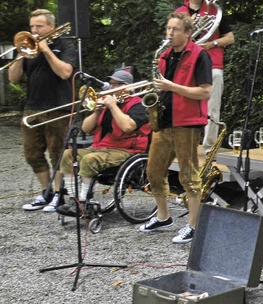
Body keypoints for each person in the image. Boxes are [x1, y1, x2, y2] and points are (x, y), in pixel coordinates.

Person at [138, 12, 212, 244]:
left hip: (187, 123)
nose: (170, 34)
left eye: (175, 30)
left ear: (188, 33)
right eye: (168, 29)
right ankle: (163, 216)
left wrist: (173, 87)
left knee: (188, 176)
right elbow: (161, 88)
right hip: (163, 121)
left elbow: (205, 92)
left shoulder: (201, 55)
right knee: (154, 171)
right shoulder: (164, 56)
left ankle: (193, 225)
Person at [8, 9, 78, 212]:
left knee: (57, 154)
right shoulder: (28, 46)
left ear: (51, 27)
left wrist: (46, 50)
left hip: (58, 107)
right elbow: (13, 78)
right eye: (32, 26)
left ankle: (59, 195)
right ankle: (46, 192)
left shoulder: (64, 45)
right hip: (33, 107)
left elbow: (65, 73)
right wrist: (20, 55)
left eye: (38, 26)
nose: (34, 30)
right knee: (32, 154)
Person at [55, 70, 150, 215]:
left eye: (118, 84)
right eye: (112, 84)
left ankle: (84, 202)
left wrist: (113, 106)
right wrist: (97, 111)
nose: (113, 87)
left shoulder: (138, 105)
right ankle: (74, 199)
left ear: (130, 87)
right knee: (68, 155)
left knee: (89, 160)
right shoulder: (107, 102)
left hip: (125, 150)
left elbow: (128, 126)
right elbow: (86, 128)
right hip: (101, 146)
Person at [175, 0, 234, 154]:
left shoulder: (215, 11)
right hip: (187, 63)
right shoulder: (180, 12)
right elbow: (172, 39)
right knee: (184, 106)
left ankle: (209, 147)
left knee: (213, 108)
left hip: (213, 63)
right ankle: (184, 146)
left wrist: (212, 44)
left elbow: (230, 38)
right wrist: (189, 26)